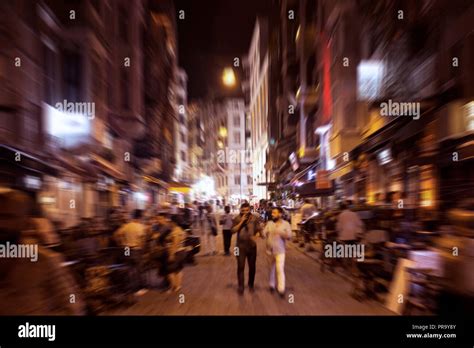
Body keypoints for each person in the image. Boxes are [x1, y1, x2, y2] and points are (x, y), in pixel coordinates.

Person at [231, 202, 262, 295]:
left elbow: (258, 230)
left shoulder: (255, 218)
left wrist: (258, 235)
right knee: (240, 267)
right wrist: (241, 222)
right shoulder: (237, 218)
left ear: (250, 210)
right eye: (243, 210)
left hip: (252, 246)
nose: (245, 212)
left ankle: (251, 285)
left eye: (247, 210)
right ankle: (241, 286)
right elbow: (232, 231)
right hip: (239, 247)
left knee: (252, 267)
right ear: (240, 210)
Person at [155, 207, 187, 293]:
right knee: (178, 270)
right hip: (182, 251)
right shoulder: (181, 230)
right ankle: (178, 286)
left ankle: (173, 287)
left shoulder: (175, 231)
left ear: (174, 222)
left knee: (170, 271)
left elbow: (175, 244)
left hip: (176, 252)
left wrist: (171, 255)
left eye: (171, 221)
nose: (170, 223)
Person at [262, 207, 292, 297]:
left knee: (280, 269)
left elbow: (289, 236)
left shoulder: (286, 224)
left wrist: (281, 232)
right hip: (270, 250)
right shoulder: (269, 223)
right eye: (272, 213)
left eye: (274, 213)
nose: (272, 214)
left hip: (280, 250)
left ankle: (281, 289)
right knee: (271, 269)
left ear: (280, 214)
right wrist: (263, 231)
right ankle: (271, 285)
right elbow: (263, 234)